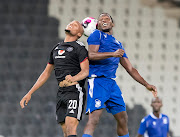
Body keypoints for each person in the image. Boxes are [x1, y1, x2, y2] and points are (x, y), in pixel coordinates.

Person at [82, 13, 157, 137]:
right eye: (101, 20)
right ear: (97, 25)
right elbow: (91, 55)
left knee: (123, 118)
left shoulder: (118, 43)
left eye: (107, 18)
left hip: (111, 84)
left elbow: (130, 68)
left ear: (112, 24)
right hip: (98, 81)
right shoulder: (97, 35)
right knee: (94, 119)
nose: (104, 20)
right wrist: (112, 54)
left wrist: (146, 84)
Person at [20, 20, 89, 137]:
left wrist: (74, 78)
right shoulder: (56, 48)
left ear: (79, 34)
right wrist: (30, 93)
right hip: (61, 92)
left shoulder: (79, 48)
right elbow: (46, 73)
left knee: (71, 126)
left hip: (74, 91)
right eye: (71, 23)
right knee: (66, 131)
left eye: (76, 25)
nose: (71, 24)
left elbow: (86, 71)